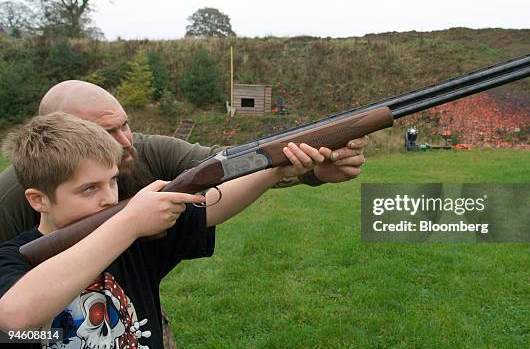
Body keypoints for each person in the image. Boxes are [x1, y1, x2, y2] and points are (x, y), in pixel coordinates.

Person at [0, 112, 329, 348]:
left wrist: (272, 170)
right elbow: (16, 317)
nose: (109, 198)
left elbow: (213, 204)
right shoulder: (14, 257)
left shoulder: (138, 239)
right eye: (89, 189)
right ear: (38, 200)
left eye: (113, 181)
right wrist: (128, 223)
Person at [0, 80, 368, 243]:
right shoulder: (12, 197)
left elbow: (225, 166)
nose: (126, 142)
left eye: (125, 124)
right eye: (106, 133)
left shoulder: (146, 149)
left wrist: (310, 171)